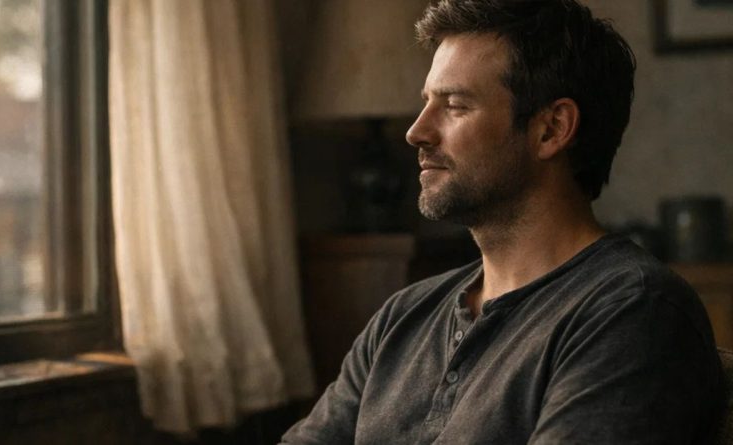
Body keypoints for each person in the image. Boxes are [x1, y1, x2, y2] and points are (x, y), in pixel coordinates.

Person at [281, 1, 725, 443]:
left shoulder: (632, 311)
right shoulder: (402, 318)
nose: (416, 132)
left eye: (455, 105)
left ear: (552, 129)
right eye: (426, 103)